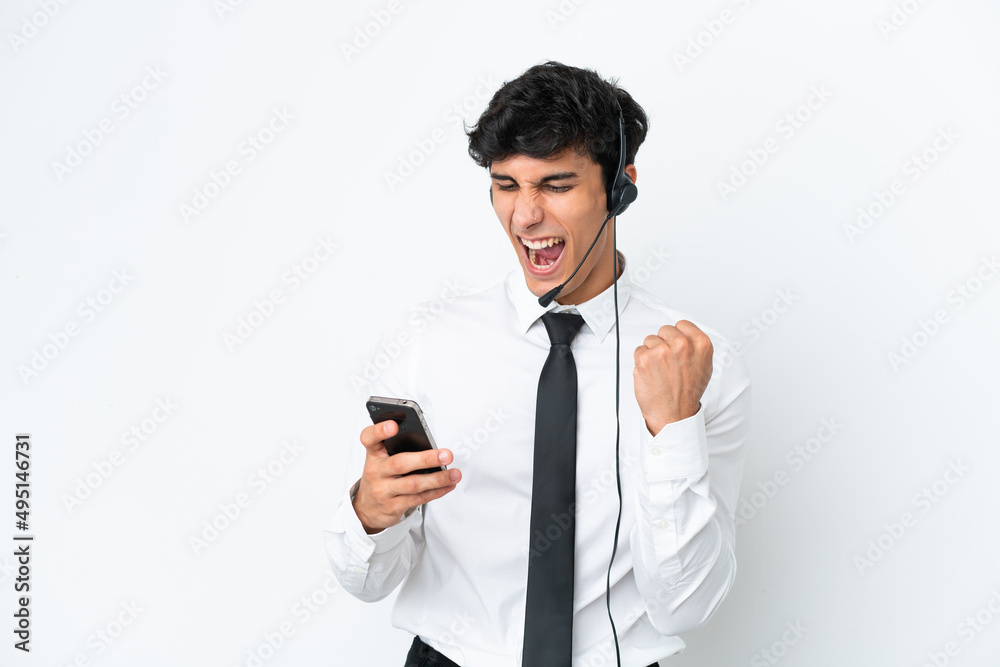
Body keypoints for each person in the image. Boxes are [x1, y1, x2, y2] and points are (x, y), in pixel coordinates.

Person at [325, 61, 752, 666]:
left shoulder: (701, 364)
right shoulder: (431, 339)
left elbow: (685, 605)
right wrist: (370, 511)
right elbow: (364, 581)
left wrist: (673, 426)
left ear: (620, 187)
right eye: (506, 185)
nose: (524, 216)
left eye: (555, 185)